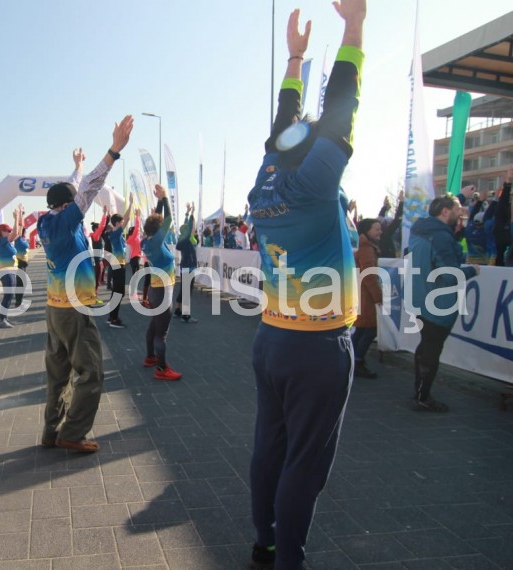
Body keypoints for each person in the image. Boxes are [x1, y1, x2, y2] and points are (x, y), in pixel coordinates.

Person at [245, 3, 365, 569]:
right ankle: (288, 560)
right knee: (304, 463)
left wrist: (295, 60)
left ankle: (265, 541)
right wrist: (354, 27)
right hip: (318, 347)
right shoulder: (316, 183)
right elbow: (341, 107)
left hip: (271, 339)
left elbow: (284, 129)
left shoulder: (263, 181)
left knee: (269, 446)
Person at [37, 116, 133, 453]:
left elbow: (74, 187)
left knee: (58, 374)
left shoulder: (48, 221)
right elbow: (89, 187)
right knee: (91, 373)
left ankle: (51, 430)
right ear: (67, 207)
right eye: (74, 203)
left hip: (54, 310)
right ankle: (73, 433)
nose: (81, 205)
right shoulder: (67, 221)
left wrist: (76, 167)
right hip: (75, 311)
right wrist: (113, 151)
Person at [408, 194, 480, 412]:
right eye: (458, 210)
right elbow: (449, 275)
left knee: (425, 347)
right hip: (439, 305)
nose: (461, 214)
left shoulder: (420, 230)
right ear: (445, 212)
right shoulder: (440, 236)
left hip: (421, 299)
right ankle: (423, 397)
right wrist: (472, 270)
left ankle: (420, 392)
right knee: (431, 351)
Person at [141, 184, 182, 381]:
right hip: (163, 293)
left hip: (155, 291)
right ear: (159, 231)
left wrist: (159, 202)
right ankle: (161, 368)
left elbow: (155, 222)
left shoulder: (146, 241)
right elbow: (168, 220)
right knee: (161, 333)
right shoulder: (156, 241)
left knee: (154, 326)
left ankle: (150, 357)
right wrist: (164, 198)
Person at [353, 218, 383, 378]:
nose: (380, 232)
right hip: (365, 295)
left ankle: (351, 359)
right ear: (367, 231)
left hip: (361, 293)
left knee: (361, 329)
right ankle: (357, 361)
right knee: (369, 329)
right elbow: (369, 275)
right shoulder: (366, 248)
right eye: (377, 229)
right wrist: (378, 296)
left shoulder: (364, 246)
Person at [106, 200, 133, 328]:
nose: (123, 224)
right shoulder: (115, 234)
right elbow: (127, 219)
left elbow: (125, 220)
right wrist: (130, 203)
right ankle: (113, 319)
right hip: (117, 265)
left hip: (118, 264)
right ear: (117, 223)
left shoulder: (116, 234)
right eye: (121, 223)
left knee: (117, 291)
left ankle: (112, 316)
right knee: (118, 292)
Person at [0, 207, 23, 328]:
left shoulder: (7, 242)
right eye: (7, 231)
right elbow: (16, 233)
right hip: (6, 272)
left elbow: (19, 233)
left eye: (9, 230)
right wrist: (16, 218)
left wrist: (20, 215)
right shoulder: (2, 241)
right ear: (1, 232)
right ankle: (2, 319)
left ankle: (3, 318)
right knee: (8, 295)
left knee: (9, 295)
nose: (9, 232)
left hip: (11, 271)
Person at [174, 203, 199, 323]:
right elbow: (188, 228)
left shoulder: (182, 239)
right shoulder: (186, 239)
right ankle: (186, 315)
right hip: (189, 268)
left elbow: (186, 227)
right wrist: (192, 213)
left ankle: (177, 310)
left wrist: (187, 213)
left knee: (183, 290)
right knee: (187, 292)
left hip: (185, 267)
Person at [14, 226, 30, 308]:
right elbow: (19, 227)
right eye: (25, 231)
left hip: (23, 264)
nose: (26, 233)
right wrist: (18, 220)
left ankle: (19, 300)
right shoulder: (18, 239)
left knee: (22, 283)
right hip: (19, 263)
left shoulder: (23, 240)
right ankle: (18, 302)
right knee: (20, 283)